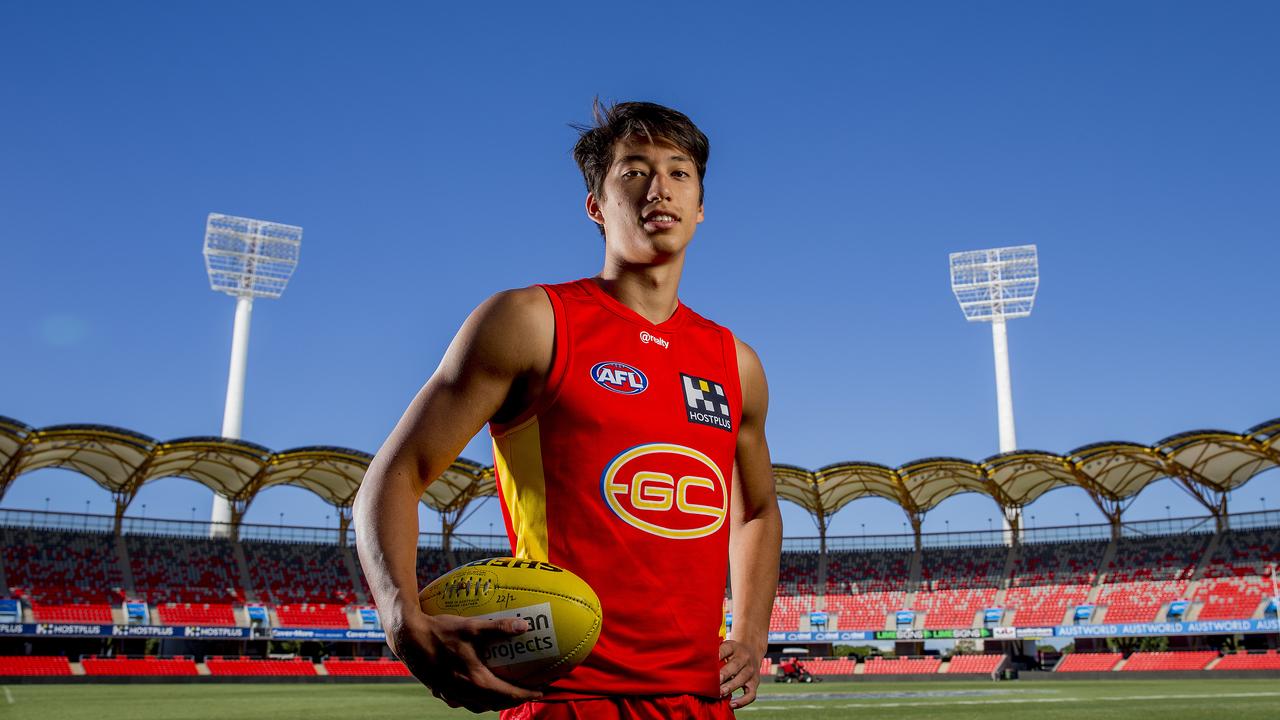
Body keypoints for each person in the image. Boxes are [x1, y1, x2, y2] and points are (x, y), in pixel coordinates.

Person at [354, 100, 782, 718]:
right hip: (565, 698)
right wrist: (401, 615)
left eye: (679, 172)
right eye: (633, 171)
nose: (659, 186)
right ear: (596, 206)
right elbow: (395, 475)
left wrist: (750, 631)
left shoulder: (735, 363)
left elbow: (759, 509)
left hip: (697, 700)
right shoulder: (530, 323)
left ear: (700, 207)